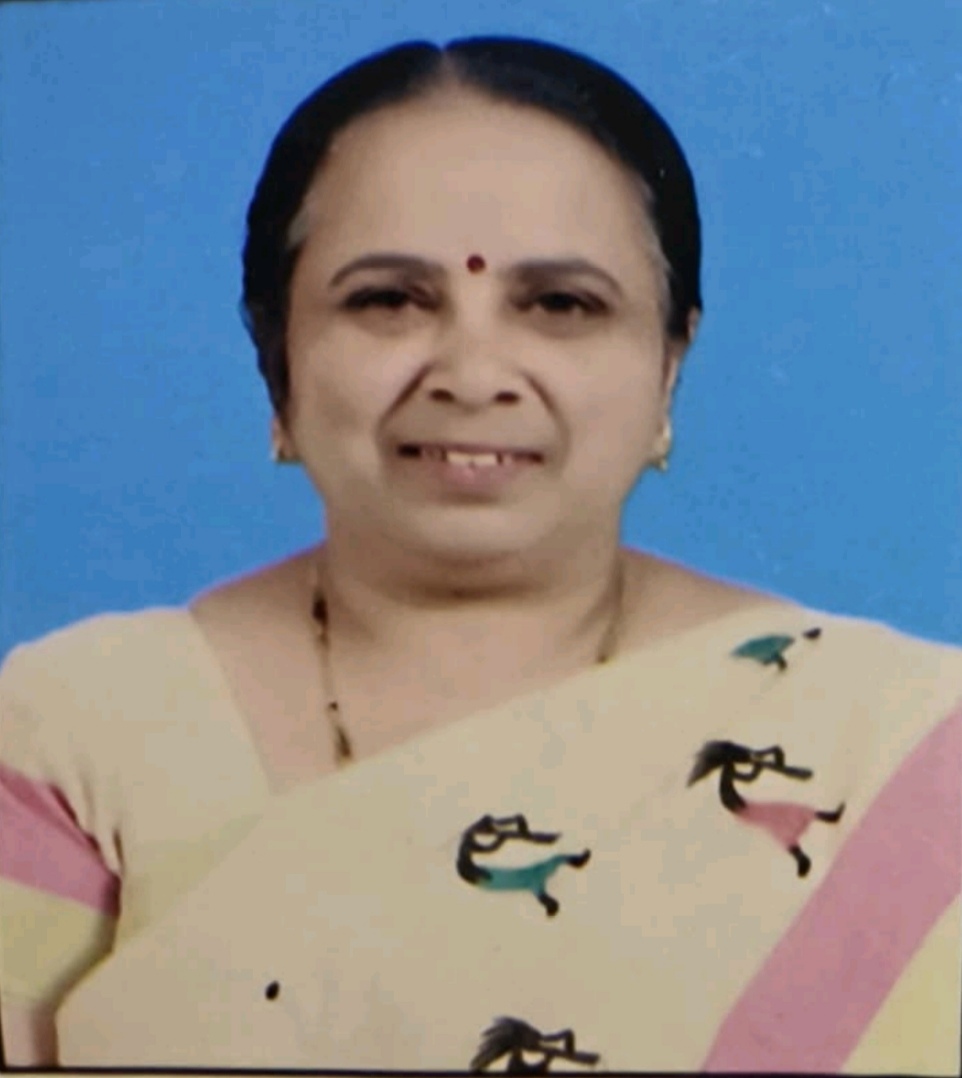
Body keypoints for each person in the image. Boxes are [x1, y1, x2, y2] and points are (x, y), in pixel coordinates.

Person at [1, 34, 959, 1072]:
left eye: (559, 305)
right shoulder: (79, 734)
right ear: (278, 359)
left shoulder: (899, 744)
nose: (472, 373)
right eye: (388, 300)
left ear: (668, 364)